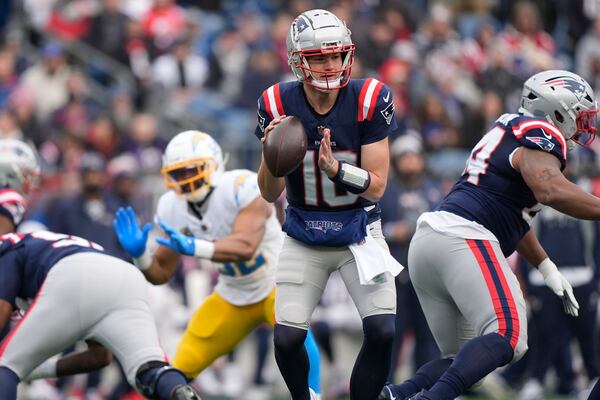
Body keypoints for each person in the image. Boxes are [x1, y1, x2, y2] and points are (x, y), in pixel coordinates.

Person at [380, 70, 599, 400]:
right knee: (510, 336)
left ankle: (397, 394)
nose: (583, 126)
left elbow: (513, 216)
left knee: (466, 364)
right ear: (556, 111)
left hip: (431, 242)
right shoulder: (539, 132)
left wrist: (546, 267)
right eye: (579, 116)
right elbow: (550, 189)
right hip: (463, 239)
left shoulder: (508, 130)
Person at [255, 9, 402, 400]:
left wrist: (336, 170)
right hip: (304, 230)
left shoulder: (369, 97)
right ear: (297, 60)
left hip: (359, 229)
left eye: (336, 55)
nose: (331, 64)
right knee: (286, 338)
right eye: (319, 57)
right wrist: (271, 155)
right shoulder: (276, 102)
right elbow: (269, 194)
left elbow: (377, 187)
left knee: (384, 331)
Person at [112, 130, 322, 397]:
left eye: (192, 170)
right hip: (233, 292)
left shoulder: (241, 186)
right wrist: (141, 256)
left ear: (213, 164)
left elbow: (245, 247)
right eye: (179, 174)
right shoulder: (171, 207)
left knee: (295, 340)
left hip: (276, 283)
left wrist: (193, 246)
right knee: (178, 368)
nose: (186, 180)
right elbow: (161, 273)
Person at [0, 230, 202, 400]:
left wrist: (16, 369)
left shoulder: (8, 248)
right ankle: (180, 392)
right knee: (150, 370)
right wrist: (36, 370)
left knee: (5, 365)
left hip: (74, 272)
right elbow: (100, 357)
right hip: (126, 276)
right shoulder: (41, 244)